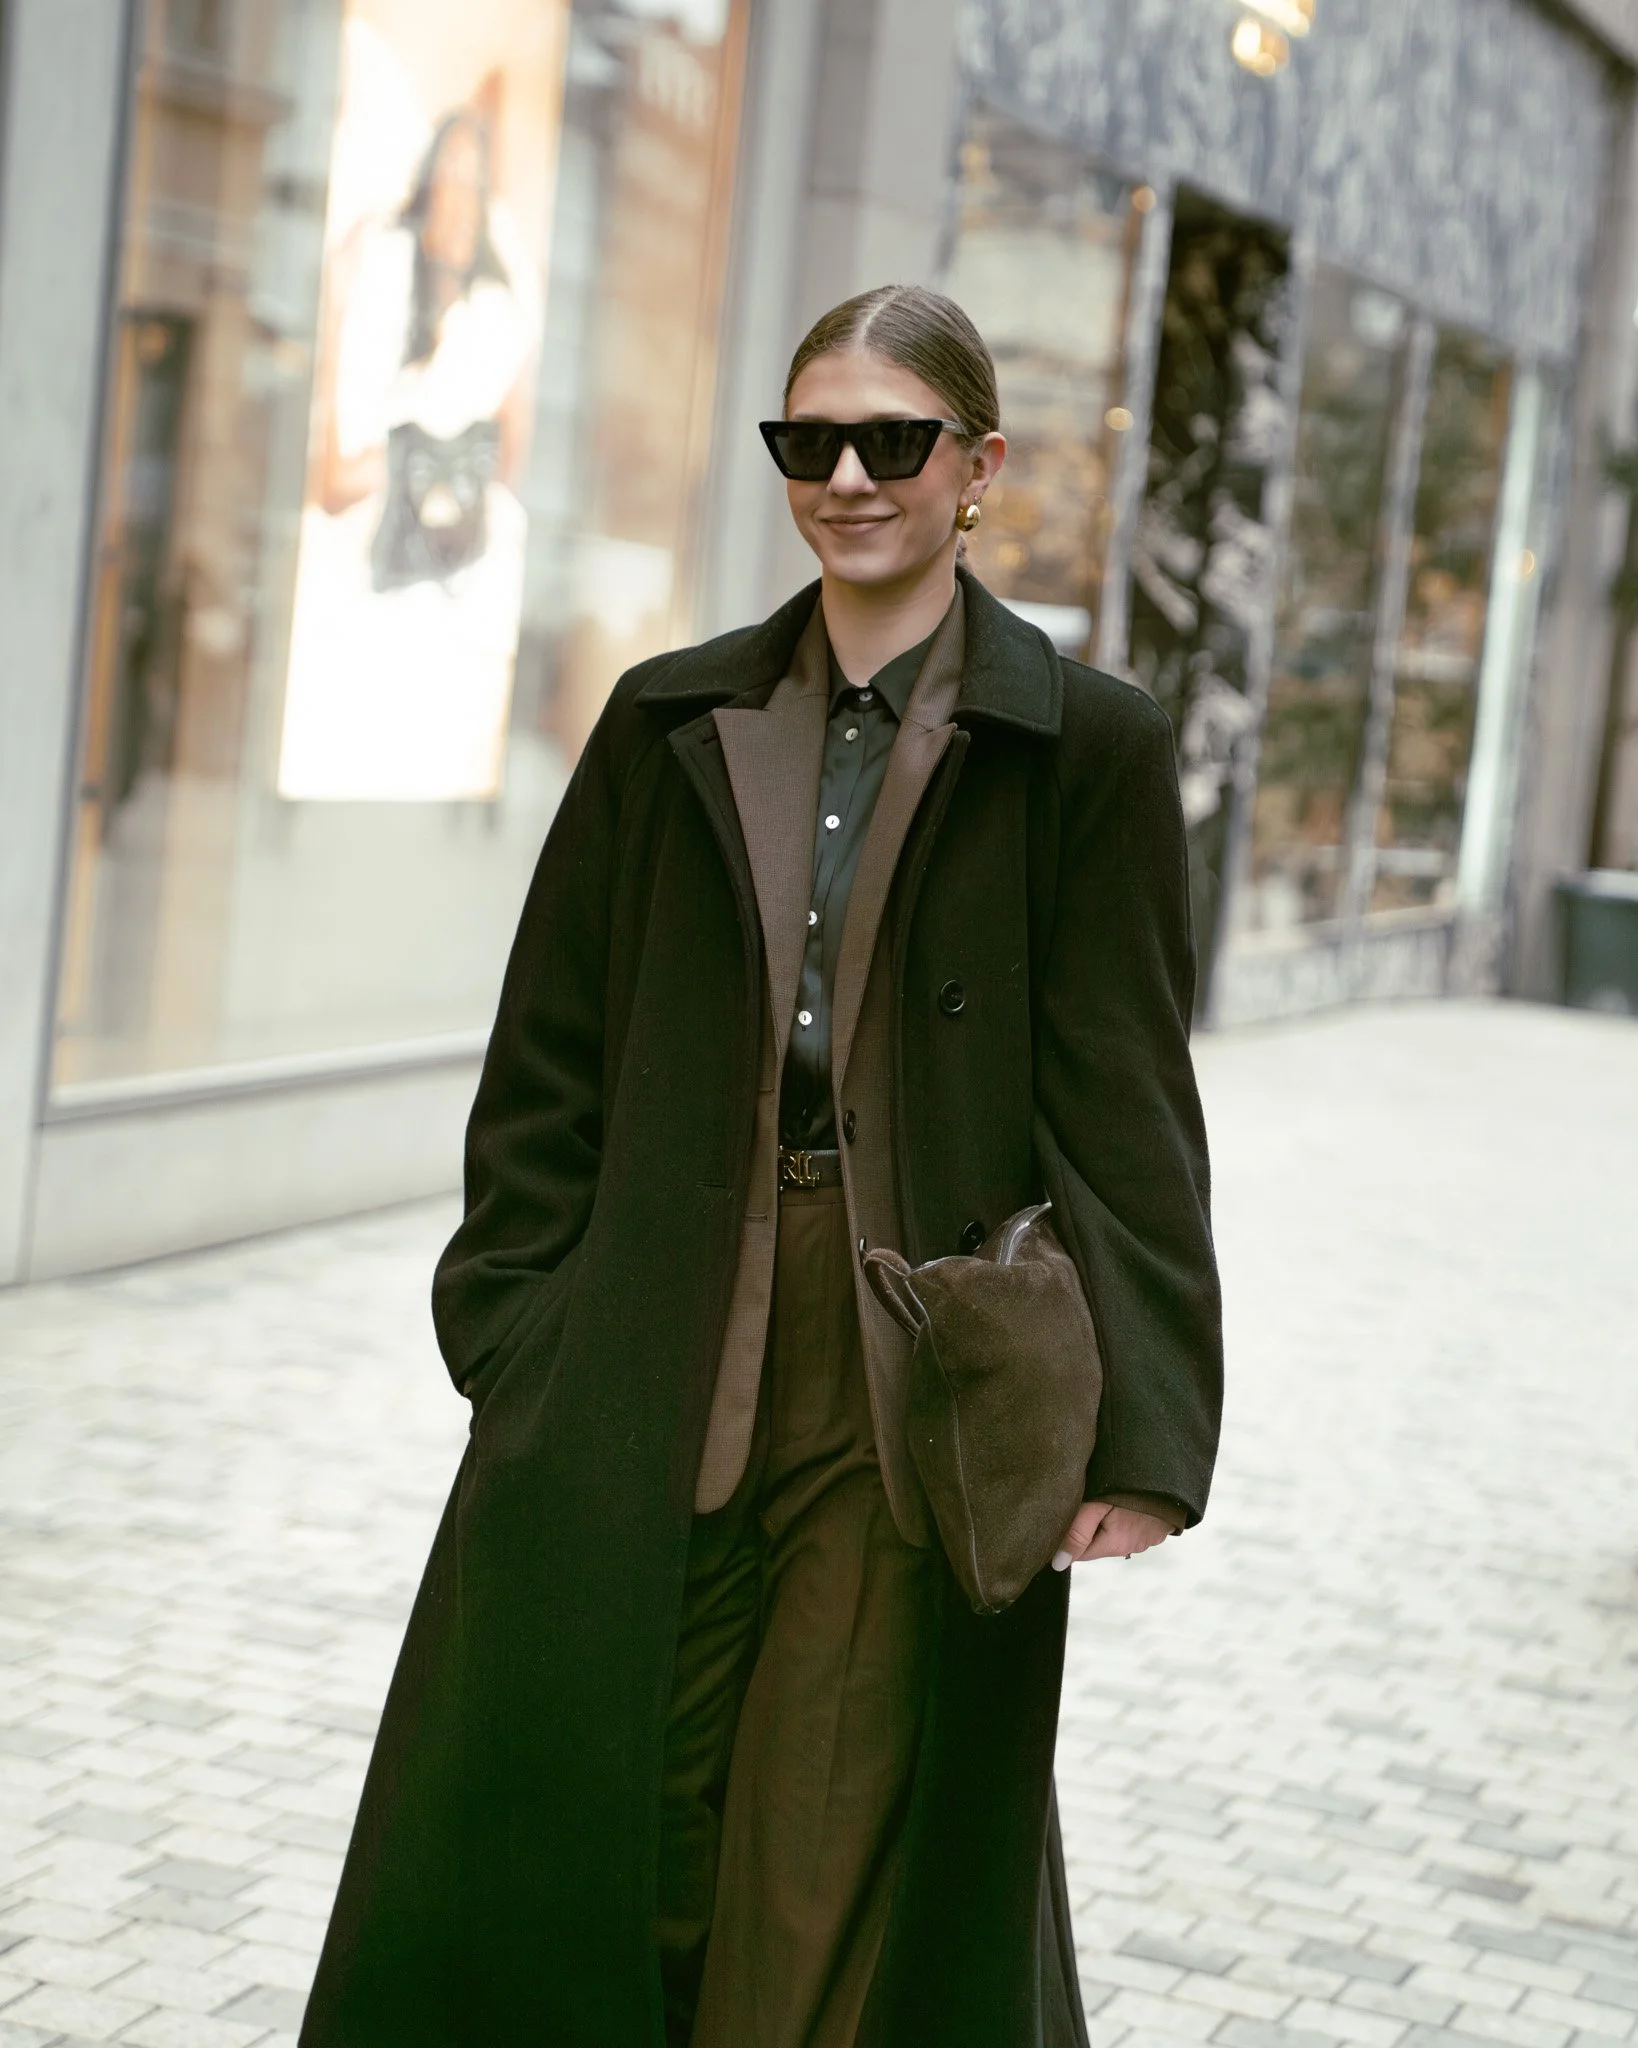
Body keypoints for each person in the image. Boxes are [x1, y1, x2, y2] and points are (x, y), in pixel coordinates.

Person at [300, 285, 1222, 2048]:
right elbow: (544, 1062)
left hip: (909, 1370)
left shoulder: (1083, 745)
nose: (851, 477)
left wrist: (1145, 1431)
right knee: (608, 1810)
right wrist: (514, 1327)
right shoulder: (666, 722)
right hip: (651, 1343)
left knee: (825, 1845)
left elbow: (1126, 1102)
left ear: (979, 468)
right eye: (813, 443)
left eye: (895, 441)